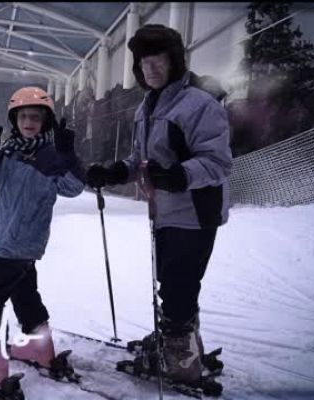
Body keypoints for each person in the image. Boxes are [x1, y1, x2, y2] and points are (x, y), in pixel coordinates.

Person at [85, 24, 232, 385]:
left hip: (195, 212)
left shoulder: (198, 104)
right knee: (177, 282)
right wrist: (118, 170)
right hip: (166, 211)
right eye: (145, 64)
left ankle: (180, 362)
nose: (151, 70)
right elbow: (142, 158)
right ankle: (182, 343)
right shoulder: (147, 107)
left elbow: (218, 162)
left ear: (176, 62)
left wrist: (179, 175)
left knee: (177, 285)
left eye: (159, 62)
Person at [0, 86, 84, 389]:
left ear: (45, 121)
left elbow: (73, 188)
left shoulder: (49, 155)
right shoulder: (9, 150)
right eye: (23, 116)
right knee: (24, 294)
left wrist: (67, 157)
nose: (28, 122)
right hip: (11, 239)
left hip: (17, 242)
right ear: (14, 120)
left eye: (35, 116)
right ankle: (40, 348)